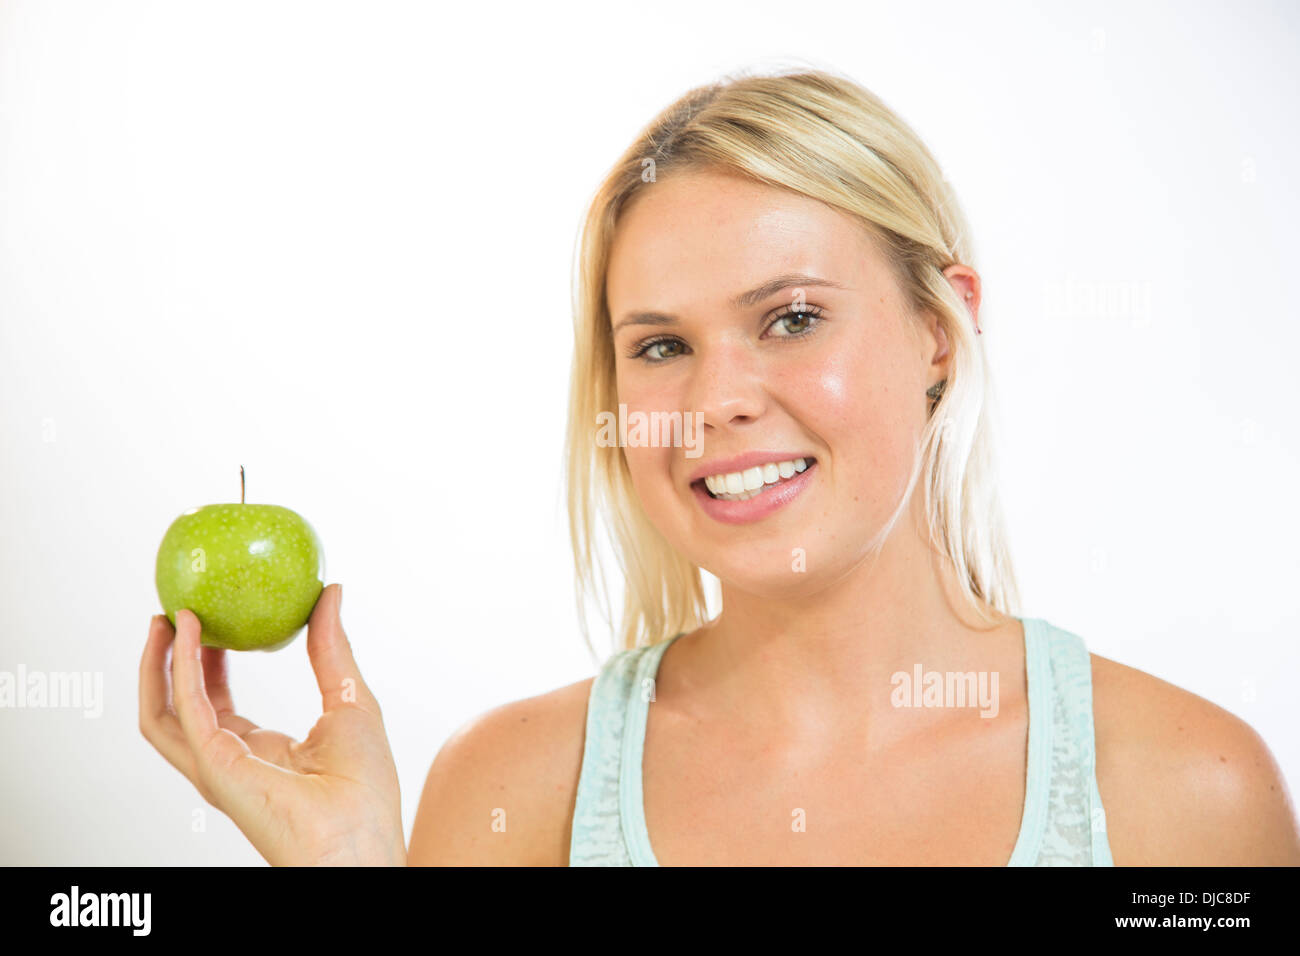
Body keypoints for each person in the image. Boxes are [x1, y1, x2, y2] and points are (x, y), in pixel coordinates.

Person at [140, 67, 1300, 866]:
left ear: (940, 333)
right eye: (659, 345)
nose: (717, 400)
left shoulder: (1180, 793)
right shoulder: (511, 791)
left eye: (792, 318)